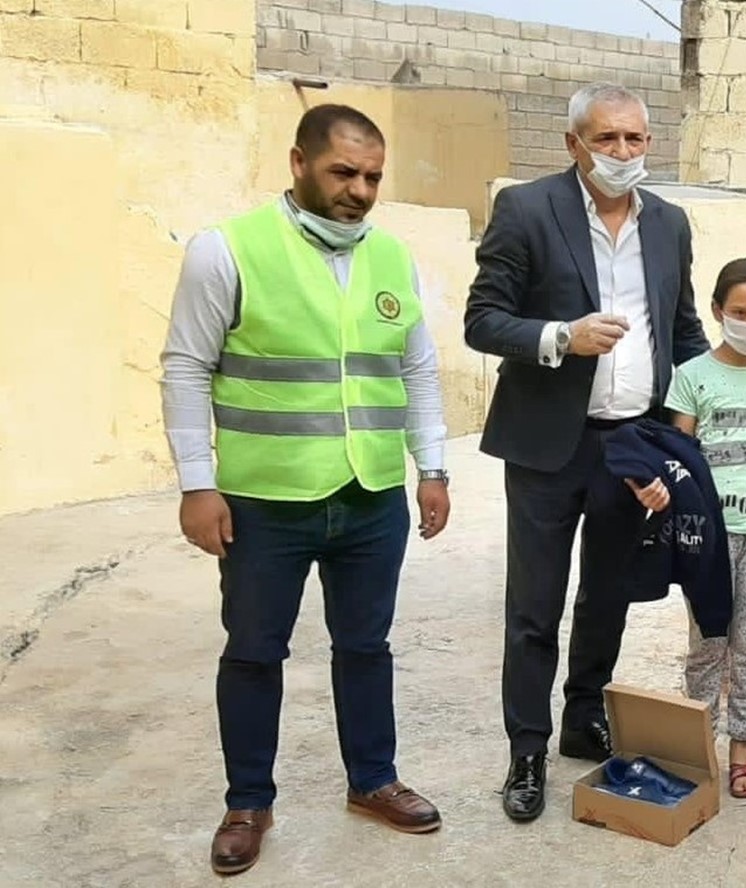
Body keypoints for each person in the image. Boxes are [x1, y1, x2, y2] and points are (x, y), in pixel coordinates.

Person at [160, 104, 450, 876]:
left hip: (370, 495)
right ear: (297, 163)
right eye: (342, 172)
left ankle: (373, 780)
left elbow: (416, 369)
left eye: (373, 177)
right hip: (264, 500)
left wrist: (432, 467)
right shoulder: (228, 250)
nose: (360, 190)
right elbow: (186, 367)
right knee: (255, 651)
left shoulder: (392, 257)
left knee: (366, 646)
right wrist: (196, 483)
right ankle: (248, 802)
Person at [464, 81, 709, 822]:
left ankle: (582, 717)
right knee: (534, 608)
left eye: (634, 138)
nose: (622, 152)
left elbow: (681, 328)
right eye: (606, 138)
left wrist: (695, 417)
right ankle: (527, 751)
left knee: (607, 596)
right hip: (547, 447)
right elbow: (483, 319)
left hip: (630, 445)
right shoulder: (527, 209)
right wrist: (559, 338)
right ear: (574, 144)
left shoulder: (668, 223)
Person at [631, 258, 746, 798]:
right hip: (709, 533)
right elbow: (679, 454)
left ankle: (744, 744)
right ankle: (697, 742)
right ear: (717, 311)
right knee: (707, 640)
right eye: (740, 312)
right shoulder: (692, 376)